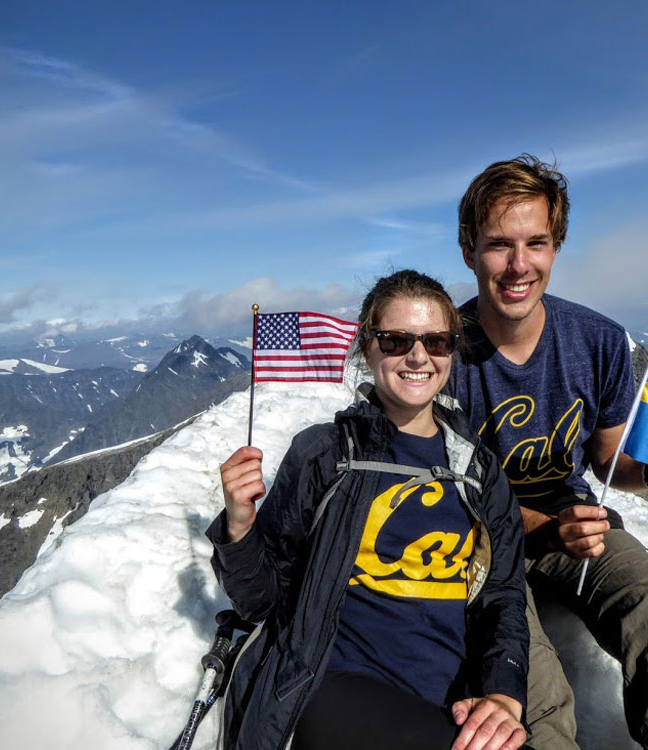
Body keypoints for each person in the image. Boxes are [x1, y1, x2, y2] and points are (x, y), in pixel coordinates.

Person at [448, 155, 648, 750]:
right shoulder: (442, 354)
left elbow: (608, 461)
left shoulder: (597, 340)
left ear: (557, 247)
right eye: (498, 245)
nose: (519, 265)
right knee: (534, 684)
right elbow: (443, 498)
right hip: (476, 549)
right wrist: (549, 528)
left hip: (578, 533)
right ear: (468, 250)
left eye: (537, 242)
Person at [207, 270, 531, 750]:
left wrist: (502, 691)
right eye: (396, 340)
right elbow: (264, 601)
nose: (418, 356)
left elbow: (501, 594)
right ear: (367, 347)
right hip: (332, 683)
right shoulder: (324, 452)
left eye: (437, 341)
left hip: (449, 698)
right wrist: (238, 525)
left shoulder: (481, 470)